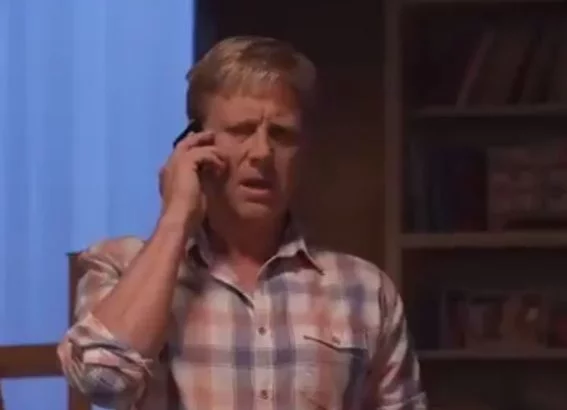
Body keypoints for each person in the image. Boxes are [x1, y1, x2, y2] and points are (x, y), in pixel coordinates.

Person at [58, 36, 427, 410]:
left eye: (281, 134)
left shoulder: (363, 290)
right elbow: (105, 381)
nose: (262, 153)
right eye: (241, 130)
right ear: (195, 144)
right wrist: (176, 217)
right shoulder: (119, 265)